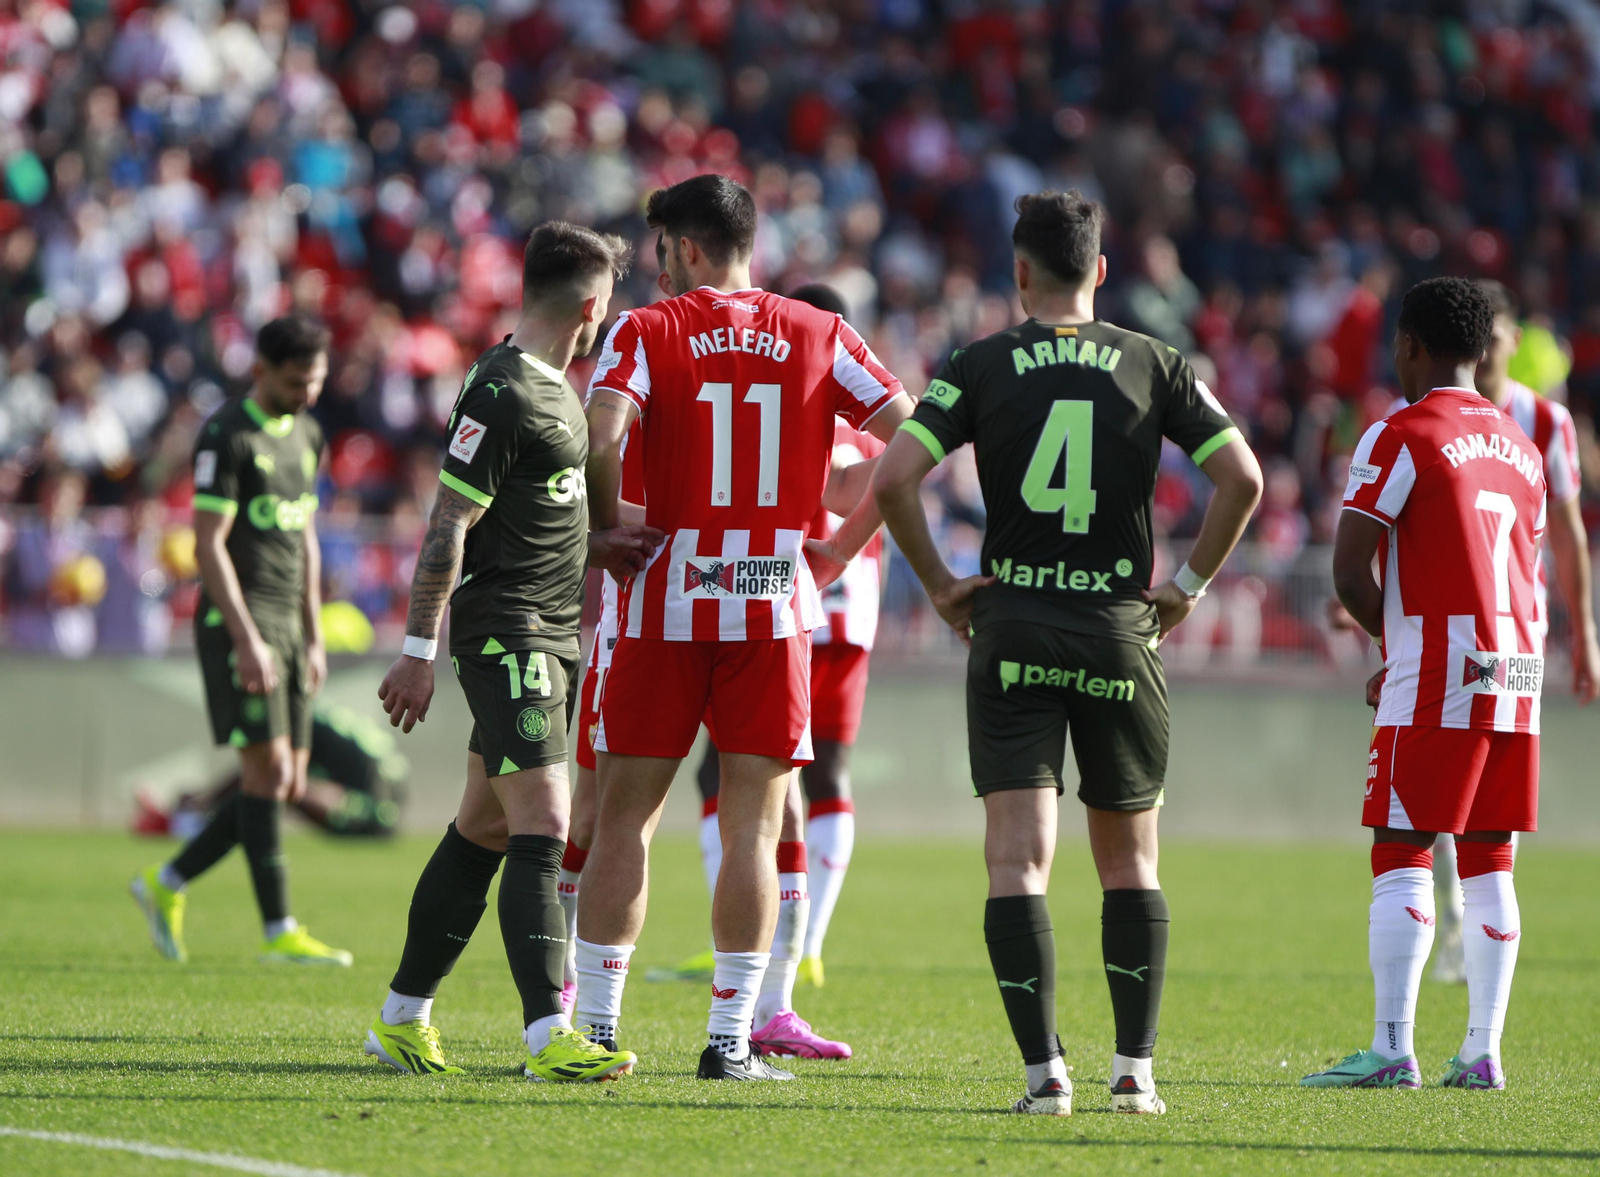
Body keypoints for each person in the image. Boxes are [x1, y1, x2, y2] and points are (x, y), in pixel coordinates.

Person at [873, 190, 1263, 1116]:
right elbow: (1242, 477)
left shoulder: (977, 362)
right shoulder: (1155, 362)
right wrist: (1190, 585)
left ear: (1018, 273)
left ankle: (1045, 1076)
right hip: (1117, 629)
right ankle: (1135, 1073)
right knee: (1131, 863)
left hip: (1011, 626)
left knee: (1016, 861)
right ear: (1099, 270)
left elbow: (894, 477)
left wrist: (938, 583)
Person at [576, 173, 913, 1081]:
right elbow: (911, 431)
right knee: (755, 830)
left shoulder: (647, 331)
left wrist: (607, 532)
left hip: (660, 604)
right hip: (771, 608)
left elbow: (601, 433)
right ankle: (728, 1041)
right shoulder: (819, 331)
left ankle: (599, 1030)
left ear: (684, 249)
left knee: (623, 822)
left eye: (659, 254)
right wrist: (840, 547)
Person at [362, 222, 661, 1081]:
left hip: (551, 627)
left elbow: (530, 508)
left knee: (484, 825)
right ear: (593, 304)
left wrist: (596, 546)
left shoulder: (559, 387)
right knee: (547, 821)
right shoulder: (500, 388)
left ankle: (402, 1018)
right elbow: (449, 522)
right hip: (509, 633)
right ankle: (547, 1036)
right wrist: (420, 647)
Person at [1304, 277, 1545, 1092]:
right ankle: (1483, 1051)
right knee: (1490, 859)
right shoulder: (1524, 448)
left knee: (1401, 843)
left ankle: (1391, 1046)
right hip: (1518, 670)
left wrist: (1394, 643)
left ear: (1409, 346)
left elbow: (1347, 567)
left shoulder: (1400, 432)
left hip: (1439, 666)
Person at [129, 314, 352, 967]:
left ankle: (165, 881)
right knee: (270, 771)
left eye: (315, 380)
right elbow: (208, 544)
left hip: (289, 621)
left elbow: (305, 537)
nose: (308, 393)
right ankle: (279, 927)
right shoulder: (227, 434)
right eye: (295, 380)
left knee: (284, 781)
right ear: (261, 370)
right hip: (241, 619)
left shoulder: (309, 432)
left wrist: (313, 634)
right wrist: (246, 635)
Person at [1421, 279, 1598, 984]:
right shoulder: (1432, 414)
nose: (1488, 350)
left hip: (1512, 631)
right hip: (1441, 629)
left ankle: (1473, 919)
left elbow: (1568, 533)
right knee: (1437, 790)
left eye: (1498, 338)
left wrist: (1582, 630)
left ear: (1513, 343)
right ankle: (1455, 915)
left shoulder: (1545, 422)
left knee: (1491, 794)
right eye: (1480, 337)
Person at [135, 703, 410, 841]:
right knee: (277, 782)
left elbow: (259, 771)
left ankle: (189, 824)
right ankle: (193, 819)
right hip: (386, 806)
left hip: (375, 814)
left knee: (277, 781)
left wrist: (206, 800)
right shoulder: (323, 720)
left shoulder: (303, 723)